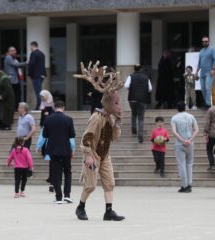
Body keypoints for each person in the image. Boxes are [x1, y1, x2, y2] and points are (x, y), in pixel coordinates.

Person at [74, 61, 125, 221]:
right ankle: (80, 207)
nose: (119, 106)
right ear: (108, 103)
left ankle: (108, 211)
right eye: (116, 103)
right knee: (90, 185)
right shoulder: (96, 118)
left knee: (109, 183)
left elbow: (115, 138)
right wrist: (88, 155)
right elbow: (87, 137)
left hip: (105, 155)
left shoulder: (110, 118)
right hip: (94, 154)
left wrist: (117, 123)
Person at [42, 101, 76, 204]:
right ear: (63, 108)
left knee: (56, 173)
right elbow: (72, 135)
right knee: (67, 172)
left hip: (53, 150)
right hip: (66, 149)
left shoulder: (48, 119)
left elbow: (45, 135)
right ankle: (67, 195)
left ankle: (58, 197)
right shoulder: (69, 119)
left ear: (54, 107)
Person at [171, 101, 199, 193]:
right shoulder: (191, 116)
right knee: (189, 164)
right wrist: (190, 140)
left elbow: (174, 132)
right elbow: (196, 130)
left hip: (180, 144)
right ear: (185, 107)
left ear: (177, 108)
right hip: (190, 143)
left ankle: (184, 185)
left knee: (182, 164)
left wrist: (182, 140)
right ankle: (189, 184)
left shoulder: (174, 118)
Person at [125, 64, 152, 143]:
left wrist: (132, 89)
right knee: (141, 117)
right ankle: (140, 135)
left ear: (134, 69)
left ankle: (134, 129)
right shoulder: (146, 77)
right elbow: (150, 89)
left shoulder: (131, 76)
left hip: (132, 99)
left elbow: (126, 86)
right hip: (142, 99)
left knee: (134, 113)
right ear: (141, 69)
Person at [36, 89, 55, 192]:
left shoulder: (50, 106)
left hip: (49, 132)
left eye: (43, 96)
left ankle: (53, 181)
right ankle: (52, 182)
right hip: (45, 129)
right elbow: (42, 117)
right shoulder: (43, 106)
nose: (42, 98)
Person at [196, 36, 215, 109]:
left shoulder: (212, 49)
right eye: (203, 41)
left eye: (206, 41)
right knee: (202, 88)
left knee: (208, 87)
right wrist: (196, 72)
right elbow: (199, 63)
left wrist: (213, 69)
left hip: (209, 72)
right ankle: (206, 102)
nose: (204, 43)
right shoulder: (201, 51)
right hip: (202, 73)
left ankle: (208, 104)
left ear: (208, 41)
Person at [28, 41, 47, 110]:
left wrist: (29, 74)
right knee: (39, 91)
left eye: (30, 46)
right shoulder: (42, 54)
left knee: (38, 92)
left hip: (35, 76)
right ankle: (40, 106)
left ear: (32, 46)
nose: (30, 48)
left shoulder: (33, 53)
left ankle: (39, 107)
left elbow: (31, 64)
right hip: (42, 75)